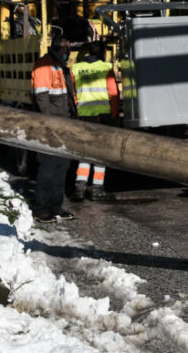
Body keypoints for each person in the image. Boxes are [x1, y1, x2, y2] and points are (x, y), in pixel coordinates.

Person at [30, 36, 78, 223]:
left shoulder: (60, 66)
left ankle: (56, 207)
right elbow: (41, 97)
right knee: (48, 168)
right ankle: (41, 208)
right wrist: (50, 124)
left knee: (61, 167)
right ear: (63, 47)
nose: (70, 51)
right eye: (68, 47)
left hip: (63, 123)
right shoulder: (44, 65)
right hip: (51, 125)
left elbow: (67, 96)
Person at [70, 41, 121, 202]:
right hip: (102, 116)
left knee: (85, 151)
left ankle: (80, 187)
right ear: (102, 53)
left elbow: (73, 93)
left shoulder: (76, 68)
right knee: (100, 152)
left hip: (84, 115)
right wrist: (114, 113)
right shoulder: (105, 67)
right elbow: (113, 92)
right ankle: (97, 188)